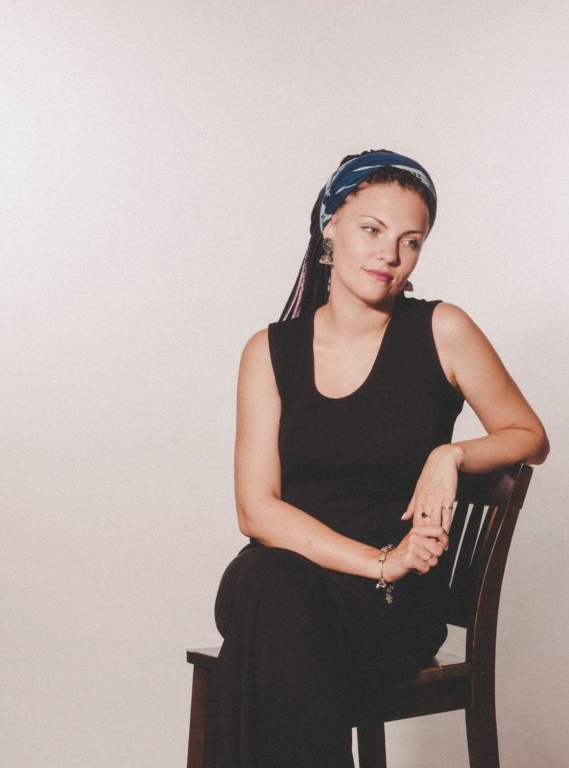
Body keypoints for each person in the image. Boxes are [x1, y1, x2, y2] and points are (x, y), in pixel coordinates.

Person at [207, 149, 549, 768]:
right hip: (305, 580)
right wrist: (379, 562)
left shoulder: (441, 330)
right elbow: (256, 510)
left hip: (389, 611)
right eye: (371, 229)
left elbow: (529, 434)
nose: (389, 255)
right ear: (328, 228)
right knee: (268, 587)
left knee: (262, 639)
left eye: (410, 240)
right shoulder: (269, 351)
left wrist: (452, 453)